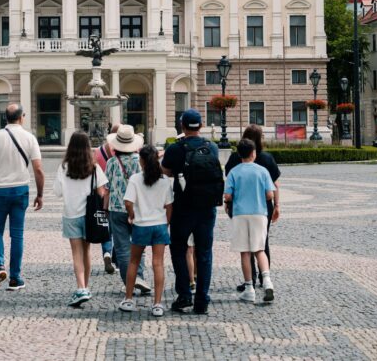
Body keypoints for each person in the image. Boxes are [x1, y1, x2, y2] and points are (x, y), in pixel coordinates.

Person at [0, 104, 45, 291]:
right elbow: (38, 169)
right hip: (20, 190)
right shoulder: (30, 138)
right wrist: (40, 194)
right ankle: (15, 278)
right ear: (22, 117)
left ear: (5, 118)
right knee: (17, 234)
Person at [161, 108, 222, 314]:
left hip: (184, 207)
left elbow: (167, 171)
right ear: (201, 126)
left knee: (178, 249)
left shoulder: (176, 148)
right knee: (204, 253)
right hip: (207, 208)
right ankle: (202, 299)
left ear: (182, 126)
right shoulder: (212, 147)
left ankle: (185, 294)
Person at [53, 131, 108, 307]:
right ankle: (87, 286)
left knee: (76, 253)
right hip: (89, 215)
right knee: (87, 252)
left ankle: (81, 288)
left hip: (71, 214)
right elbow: (101, 192)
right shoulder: (94, 167)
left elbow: (58, 192)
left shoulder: (64, 167)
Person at [119, 145, 174, 317]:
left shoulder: (136, 179)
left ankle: (128, 299)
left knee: (134, 262)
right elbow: (169, 206)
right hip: (159, 225)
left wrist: (132, 215)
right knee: (158, 263)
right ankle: (157, 304)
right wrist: (166, 223)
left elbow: (128, 202)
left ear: (141, 161)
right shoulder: (164, 180)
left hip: (141, 225)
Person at [225, 124, 281, 290]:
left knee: (245, 245)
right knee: (262, 243)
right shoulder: (267, 159)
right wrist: (277, 205)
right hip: (262, 207)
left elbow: (229, 182)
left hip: (240, 207)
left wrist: (228, 204)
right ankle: (265, 279)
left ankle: (250, 280)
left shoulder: (235, 159)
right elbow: (275, 185)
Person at [104, 124, 150, 293]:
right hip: (137, 208)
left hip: (116, 208)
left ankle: (129, 282)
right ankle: (140, 277)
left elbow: (106, 187)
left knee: (122, 247)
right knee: (139, 244)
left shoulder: (111, 162)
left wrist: (105, 207)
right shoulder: (140, 162)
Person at [94, 123, 119, 274]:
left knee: (105, 228)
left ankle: (106, 253)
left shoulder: (98, 151)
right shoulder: (124, 152)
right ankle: (116, 257)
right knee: (120, 230)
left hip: (103, 194)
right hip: (120, 196)